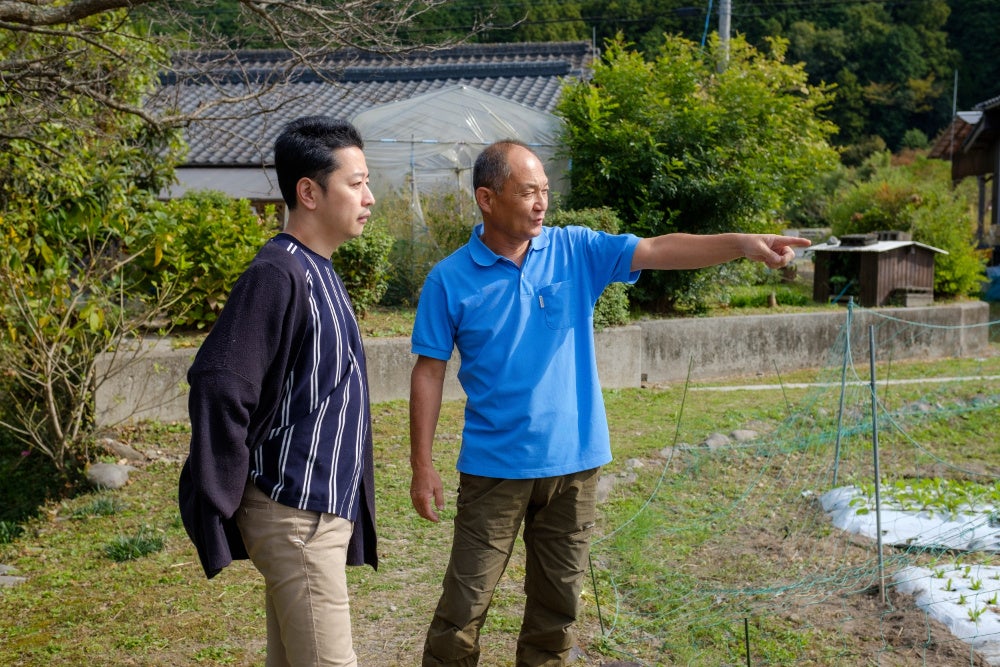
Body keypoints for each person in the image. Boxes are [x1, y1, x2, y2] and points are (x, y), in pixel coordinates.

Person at [408, 139, 810, 666]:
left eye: (545, 190)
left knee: (557, 612)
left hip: (575, 466)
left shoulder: (575, 250)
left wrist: (742, 244)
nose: (541, 203)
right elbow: (429, 372)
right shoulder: (449, 279)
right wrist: (422, 464)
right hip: (494, 470)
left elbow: (660, 250)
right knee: (462, 610)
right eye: (527, 192)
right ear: (487, 198)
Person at [178, 116, 378, 667]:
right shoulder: (277, 272)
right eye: (356, 183)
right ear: (309, 192)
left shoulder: (319, 269)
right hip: (296, 514)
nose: (369, 197)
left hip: (314, 513)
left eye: (367, 182)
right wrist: (227, 490)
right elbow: (220, 381)